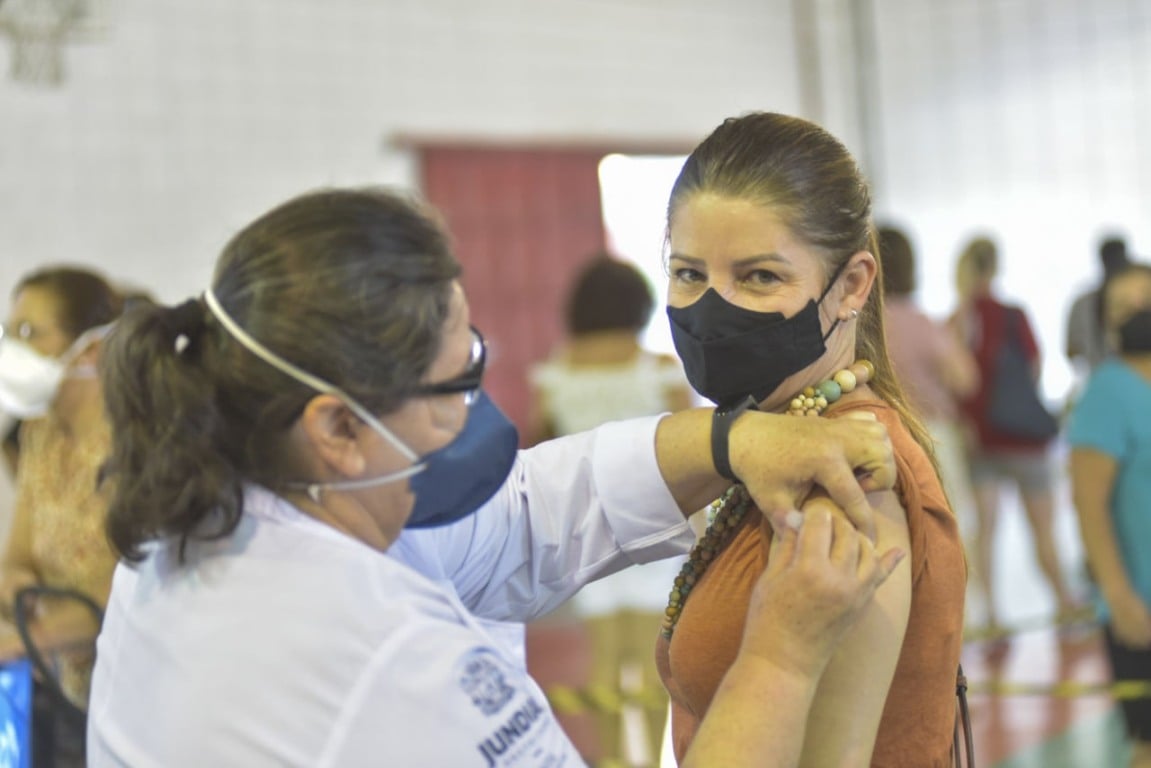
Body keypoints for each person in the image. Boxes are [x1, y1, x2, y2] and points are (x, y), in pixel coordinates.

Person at [87, 187, 904, 767]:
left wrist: (726, 442)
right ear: (337, 427)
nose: (476, 410)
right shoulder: (389, 665)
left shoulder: (222, 502)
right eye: (453, 385)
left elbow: (524, 513)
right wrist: (779, 659)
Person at [655, 112, 966, 767]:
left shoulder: (849, 472)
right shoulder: (775, 442)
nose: (712, 308)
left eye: (759, 277)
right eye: (687, 273)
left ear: (850, 286)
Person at [527, 253, 694, 762]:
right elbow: (691, 453)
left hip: (589, 530)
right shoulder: (658, 371)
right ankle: (652, 760)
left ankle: (615, 762)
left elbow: (538, 449)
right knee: (651, 662)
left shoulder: (555, 375)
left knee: (603, 661)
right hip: (655, 526)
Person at [0, 265, 124, 761]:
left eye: (29, 333)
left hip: (122, 689)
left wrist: (29, 639)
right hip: (56, 684)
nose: (11, 346)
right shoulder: (40, 433)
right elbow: (19, 552)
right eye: (9, 331)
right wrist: (15, 584)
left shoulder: (135, 446)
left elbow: (129, 594)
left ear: (90, 349)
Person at [949, 236, 1080, 635]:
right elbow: (1035, 367)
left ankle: (991, 616)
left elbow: (956, 383)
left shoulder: (957, 320)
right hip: (1026, 440)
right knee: (1043, 527)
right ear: (994, 268)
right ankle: (1065, 606)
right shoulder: (1013, 315)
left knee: (985, 531)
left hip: (982, 441)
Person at [1067, 262, 1151, 768]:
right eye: (1123, 307)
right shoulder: (1107, 392)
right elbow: (1088, 505)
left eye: (1146, 298)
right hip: (1140, 608)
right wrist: (1118, 597)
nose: (1139, 312)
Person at [880, 224, 982, 623]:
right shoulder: (921, 323)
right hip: (930, 437)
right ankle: (952, 623)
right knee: (947, 532)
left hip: (873, 436)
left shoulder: (856, 327)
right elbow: (965, 378)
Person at [1066, 236, 1131, 376]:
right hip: (1102, 378)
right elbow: (1072, 351)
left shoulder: (1081, 303)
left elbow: (1072, 351)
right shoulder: (1083, 304)